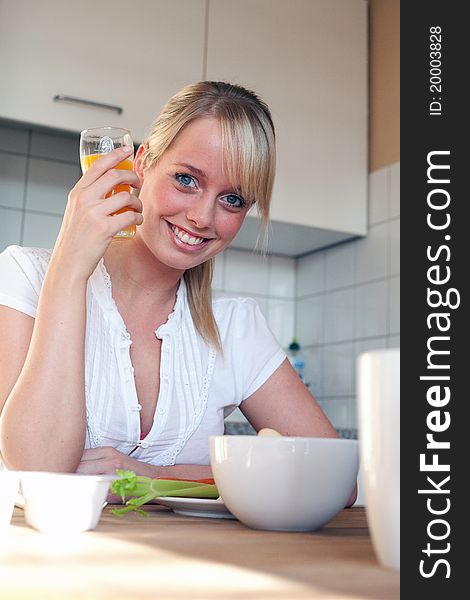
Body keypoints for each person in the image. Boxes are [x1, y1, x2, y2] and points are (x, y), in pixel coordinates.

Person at [0, 81, 353, 501]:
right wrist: (70, 266)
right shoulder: (26, 276)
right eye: (186, 179)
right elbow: (39, 470)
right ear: (143, 163)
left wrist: (147, 477)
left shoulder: (235, 325)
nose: (203, 216)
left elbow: (337, 480)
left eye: (233, 200)